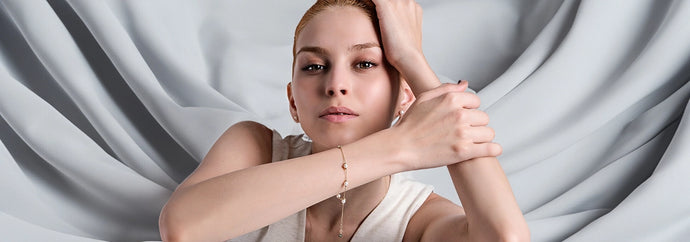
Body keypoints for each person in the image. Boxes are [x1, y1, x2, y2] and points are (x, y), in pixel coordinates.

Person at [158, 0, 529, 241]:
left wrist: (414, 60)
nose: (335, 85)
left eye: (365, 64)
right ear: (292, 101)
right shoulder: (256, 146)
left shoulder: (417, 219)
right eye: (315, 66)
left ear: (406, 97)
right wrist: (400, 146)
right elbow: (183, 227)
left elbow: (505, 238)